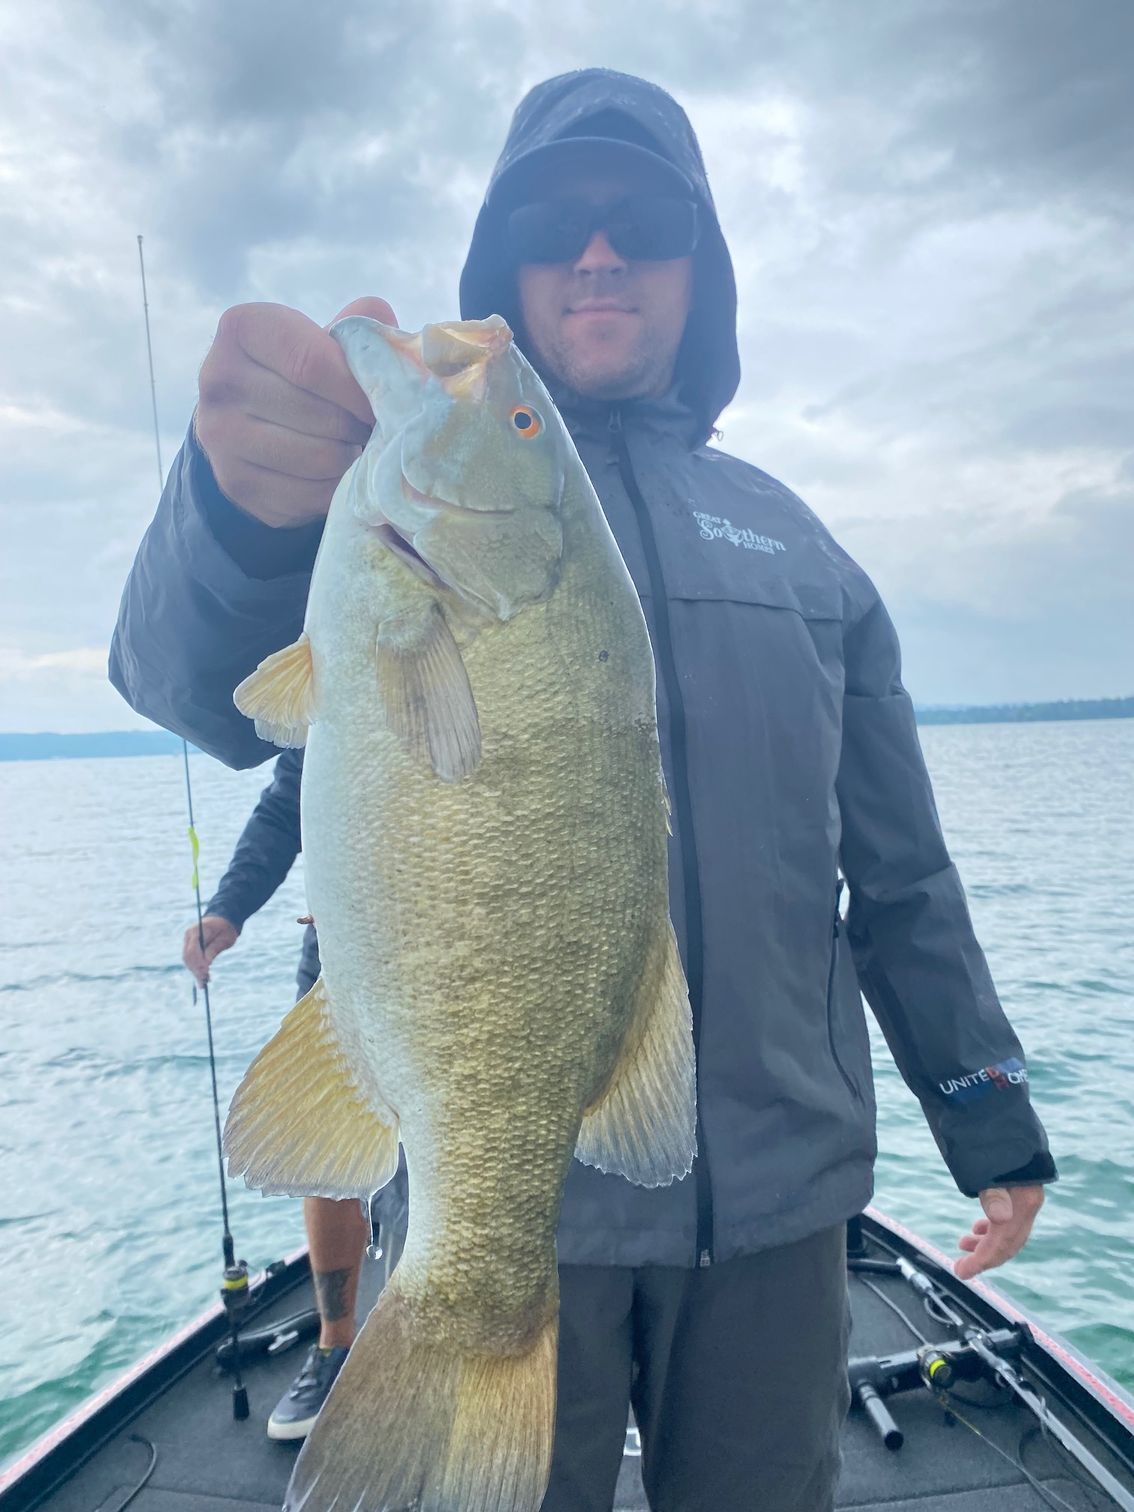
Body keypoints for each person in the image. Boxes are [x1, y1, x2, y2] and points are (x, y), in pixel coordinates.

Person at [111, 68, 1054, 1512]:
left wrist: (984, 1113)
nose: (597, 253)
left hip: (779, 1214)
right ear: (504, 267)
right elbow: (191, 686)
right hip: (509, 1195)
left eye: (644, 222)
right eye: (554, 222)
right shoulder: (374, 501)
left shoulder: (805, 552)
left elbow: (904, 871)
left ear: (703, 271)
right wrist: (237, 515)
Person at [180, 746, 406, 1442]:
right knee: (327, 1147)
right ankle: (337, 1347)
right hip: (341, 942)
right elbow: (289, 798)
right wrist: (230, 907)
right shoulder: (335, 655)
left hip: (470, 933)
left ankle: (458, 1341)